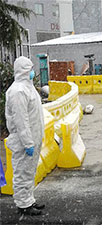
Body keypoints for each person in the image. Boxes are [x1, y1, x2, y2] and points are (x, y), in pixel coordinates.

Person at [5, 56, 45, 215]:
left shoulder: (27, 87)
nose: (32, 72)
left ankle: (29, 200)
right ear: (24, 70)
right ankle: (23, 205)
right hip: (24, 141)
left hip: (32, 138)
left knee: (29, 171)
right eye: (30, 69)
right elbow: (21, 120)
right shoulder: (18, 91)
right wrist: (28, 143)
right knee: (22, 172)